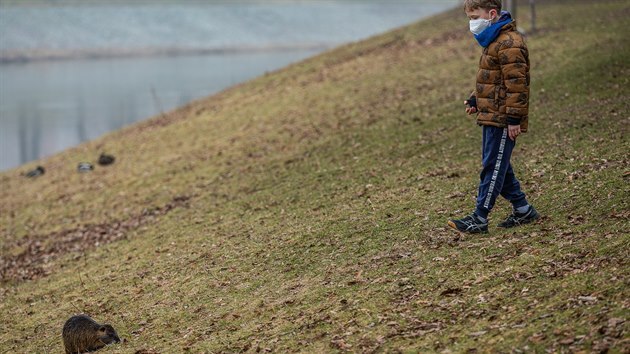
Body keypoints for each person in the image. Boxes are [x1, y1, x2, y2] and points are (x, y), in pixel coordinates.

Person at [448, 0, 539, 234]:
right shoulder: (495, 39)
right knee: (499, 164)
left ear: (491, 14)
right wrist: (476, 99)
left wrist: (514, 120)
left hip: (503, 118)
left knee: (493, 165)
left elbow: (517, 85)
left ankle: (480, 217)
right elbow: (493, 78)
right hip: (492, 114)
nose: (472, 23)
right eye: (469, 18)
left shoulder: (510, 43)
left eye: (474, 17)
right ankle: (523, 209)